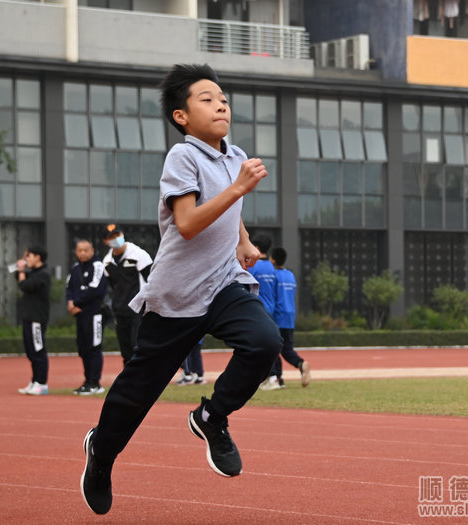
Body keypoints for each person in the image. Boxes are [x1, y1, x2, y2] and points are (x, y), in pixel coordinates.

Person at [80, 63, 282, 516]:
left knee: (265, 342)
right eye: (207, 99)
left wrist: (244, 240)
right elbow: (188, 223)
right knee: (138, 392)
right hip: (177, 294)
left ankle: (211, 417)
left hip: (223, 283)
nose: (221, 104)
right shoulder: (183, 157)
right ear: (181, 116)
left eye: (223, 97)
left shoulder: (234, 156)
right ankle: (102, 453)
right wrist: (238, 188)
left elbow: (230, 213)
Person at [101, 224, 153, 366]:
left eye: (117, 235)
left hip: (139, 309)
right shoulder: (106, 263)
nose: (116, 239)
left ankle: (144, 381)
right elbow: (113, 286)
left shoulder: (139, 255)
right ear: (106, 241)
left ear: (122, 234)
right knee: (125, 350)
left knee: (137, 346)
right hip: (120, 310)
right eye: (111, 237)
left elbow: (151, 281)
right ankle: (129, 383)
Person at [260, 246, 311, 390]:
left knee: (273, 348)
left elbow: (272, 296)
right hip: (290, 317)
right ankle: (299, 365)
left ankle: (277, 378)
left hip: (277, 316)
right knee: (286, 349)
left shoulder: (273, 275)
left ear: (274, 260)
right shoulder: (290, 275)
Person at [66, 239, 108, 395]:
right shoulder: (75, 268)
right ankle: (87, 381)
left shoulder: (98, 266)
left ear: (92, 250)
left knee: (94, 347)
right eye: (79, 250)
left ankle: (95, 383)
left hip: (95, 314)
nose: (82, 253)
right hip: (80, 315)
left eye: (85, 250)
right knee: (83, 348)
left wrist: (76, 302)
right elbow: (69, 288)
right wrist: (70, 303)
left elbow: (96, 289)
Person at [15, 245, 51, 396]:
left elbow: (24, 286)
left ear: (38, 257)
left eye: (29, 256)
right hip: (28, 318)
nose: (27, 259)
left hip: (37, 319)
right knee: (30, 351)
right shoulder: (34, 273)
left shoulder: (43, 275)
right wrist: (21, 268)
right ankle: (35, 380)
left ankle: (42, 383)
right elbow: (19, 279)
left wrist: (22, 271)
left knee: (38, 351)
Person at [247, 234, 277, 318]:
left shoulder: (251, 266)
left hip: (255, 310)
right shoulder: (271, 267)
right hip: (270, 311)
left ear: (257, 248)